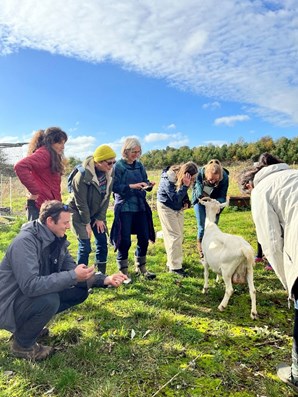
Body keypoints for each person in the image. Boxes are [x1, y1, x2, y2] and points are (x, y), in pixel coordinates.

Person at [0, 200, 127, 361]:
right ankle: (23, 345)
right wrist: (73, 276)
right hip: (6, 304)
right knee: (49, 300)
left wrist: (104, 279)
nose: (68, 226)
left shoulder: (56, 239)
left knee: (78, 291)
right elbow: (30, 286)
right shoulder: (24, 243)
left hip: (23, 299)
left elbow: (71, 269)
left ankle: (29, 327)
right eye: (65, 222)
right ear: (50, 221)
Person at [238, 153, 298, 392]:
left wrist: (290, 284)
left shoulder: (262, 190)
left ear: (249, 183)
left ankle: (296, 373)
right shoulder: (293, 175)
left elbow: (271, 243)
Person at [110, 137, 156, 279]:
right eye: (133, 152)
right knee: (125, 241)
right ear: (126, 151)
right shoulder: (118, 166)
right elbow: (114, 187)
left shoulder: (140, 165)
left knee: (144, 237)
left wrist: (148, 185)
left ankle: (141, 268)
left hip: (140, 206)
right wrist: (131, 187)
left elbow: (144, 182)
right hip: (124, 207)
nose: (136, 154)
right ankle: (123, 273)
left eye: (138, 151)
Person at [68, 144, 116, 274]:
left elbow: (106, 198)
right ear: (98, 162)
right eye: (109, 163)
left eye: (114, 162)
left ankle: (100, 274)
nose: (112, 166)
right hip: (78, 213)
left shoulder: (110, 173)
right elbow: (81, 203)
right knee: (85, 245)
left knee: (102, 241)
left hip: (96, 212)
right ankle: (80, 278)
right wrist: (87, 223)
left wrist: (100, 218)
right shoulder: (81, 176)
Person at [14, 127, 68, 220]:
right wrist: (35, 191)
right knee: (40, 233)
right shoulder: (44, 154)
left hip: (49, 205)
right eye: (59, 143)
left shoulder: (52, 155)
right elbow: (20, 166)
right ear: (50, 142)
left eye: (63, 143)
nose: (63, 147)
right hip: (41, 206)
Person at [157, 162, 198, 277]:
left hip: (177, 207)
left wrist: (186, 201)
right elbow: (174, 198)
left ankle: (172, 262)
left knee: (179, 235)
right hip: (166, 206)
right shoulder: (168, 178)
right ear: (186, 175)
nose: (193, 181)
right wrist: (185, 186)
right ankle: (175, 268)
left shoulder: (183, 178)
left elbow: (181, 196)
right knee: (174, 236)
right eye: (192, 179)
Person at [192, 159, 229, 258]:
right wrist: (202, 196)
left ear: (220, 176)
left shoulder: (224, 177)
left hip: (214, 201)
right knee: (202, 224)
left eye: (215, 180)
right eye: (210, 179)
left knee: (213, 225)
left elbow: (222, 194)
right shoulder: (200, 172)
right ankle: (201, 246)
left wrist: (216, 203)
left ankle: (211, 246)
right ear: (206, 174)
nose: (212, 181)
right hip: (200, 200)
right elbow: (198, 187)